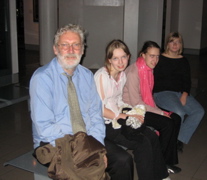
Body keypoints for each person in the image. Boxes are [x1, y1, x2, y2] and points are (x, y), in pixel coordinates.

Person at [30, 24, 132, 180]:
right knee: (86, 170)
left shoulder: (86, 76)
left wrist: (97, 147)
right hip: (54, 142)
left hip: (86, 139)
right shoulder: (42, 78)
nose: (71, 50)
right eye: (65, 45)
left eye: (76, 45)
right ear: (55, 49)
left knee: (123, 160)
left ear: (83, 50)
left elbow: (95, 115)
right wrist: (85, 150)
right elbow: (45, 127)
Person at [94, 39, 170, 180]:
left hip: (117, 116)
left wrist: (132, 112)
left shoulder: (121, 75)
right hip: (103, 124)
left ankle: (161, 175)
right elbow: (98, 109)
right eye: (116, 58)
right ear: (109, 59)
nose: (120, 61)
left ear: (128, 57)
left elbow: (118, 100)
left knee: (151, 136)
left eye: (123, 57)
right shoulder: (102, 76)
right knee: (142, 143)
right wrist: (121, 115)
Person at [122, 41, 181, 174]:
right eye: (151, 56)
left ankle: (167, 159)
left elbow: (147, 96)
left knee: (176, 118)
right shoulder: (133, 72)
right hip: (132, 109)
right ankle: (161, 162)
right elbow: (136, 103)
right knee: (167, 123)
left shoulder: (148, 69)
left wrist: (160, 111)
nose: (155, 60)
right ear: (143, 55)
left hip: (143, 105)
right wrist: (160, 112)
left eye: (157, 56)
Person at [153, 32, 205, 151]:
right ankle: (172, 141)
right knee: (179, 112)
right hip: (162, 93)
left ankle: (179, 139)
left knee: (198, 111)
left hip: (180, 93)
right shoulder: (160, 59)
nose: (175, 44)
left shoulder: (183, 60)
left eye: (178, 42)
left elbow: (187, 81)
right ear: (167, 44)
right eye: (172, 41)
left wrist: (185, 95)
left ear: (181, 45)